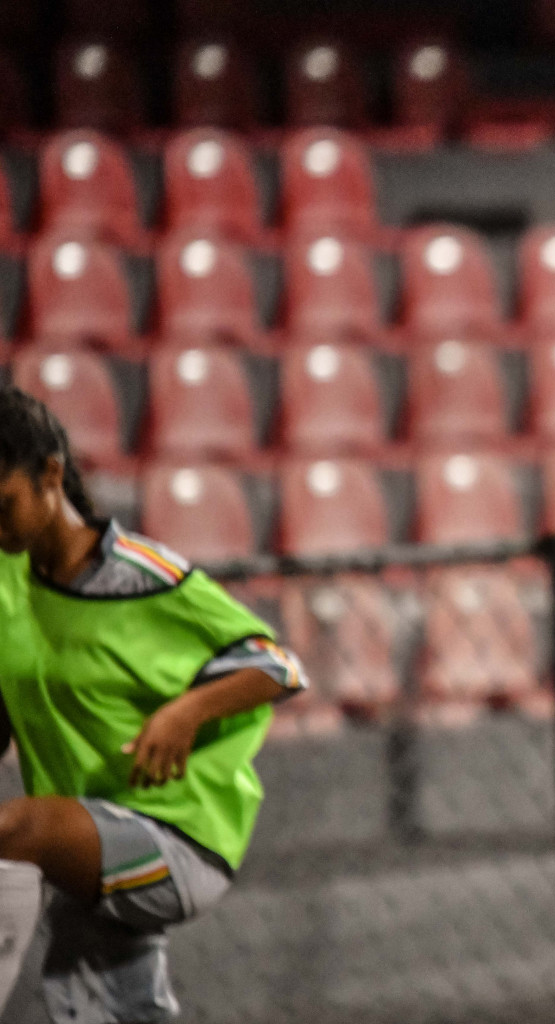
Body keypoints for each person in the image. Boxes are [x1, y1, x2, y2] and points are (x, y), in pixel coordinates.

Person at [0, 385, 308, 1023]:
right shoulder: (10, 575)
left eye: (4, 505)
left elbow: (278, 666)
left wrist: (184, 712)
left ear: (50, 475)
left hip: (176, 836)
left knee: (14, 829)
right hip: (89, 836)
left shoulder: (141, 573)